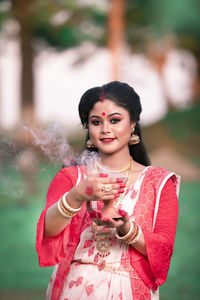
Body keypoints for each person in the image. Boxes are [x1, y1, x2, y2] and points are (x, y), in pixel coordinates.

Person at [36, 81, 180, 300]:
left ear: (132, 124)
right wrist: (77, 195)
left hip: (130, 291)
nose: (105, 130)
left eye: (115, 120)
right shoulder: (72, 178)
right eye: (96, 122)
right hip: (75, 289)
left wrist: (126, 227)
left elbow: (163, 250)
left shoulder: (158, 183)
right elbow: (48, 231)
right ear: (89, 128)